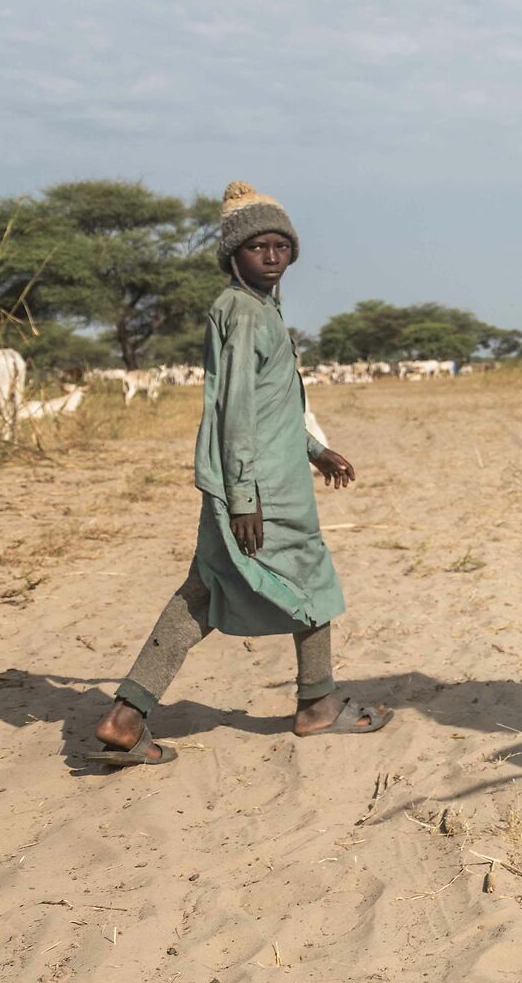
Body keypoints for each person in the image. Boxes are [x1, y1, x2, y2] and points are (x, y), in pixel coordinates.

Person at [92, 182, 389, 765]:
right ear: (233, 255)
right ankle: (318, 705)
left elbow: (268, 407)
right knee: (312, 583)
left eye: (282, 245)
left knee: (201, 594)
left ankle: (125, 717)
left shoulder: (258, 308)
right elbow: (232, 412)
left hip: (264, 475)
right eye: (259, 247)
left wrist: (313, 449)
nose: (273, 256)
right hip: (261, 489)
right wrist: (246, 497)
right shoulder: (244, 313)